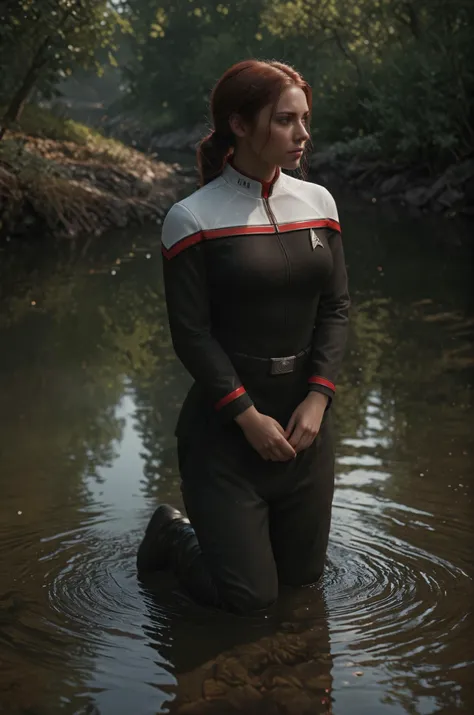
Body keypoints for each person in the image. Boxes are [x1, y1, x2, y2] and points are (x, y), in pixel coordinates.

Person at [137, 59, 350, 615]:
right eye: (285, 121)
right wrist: (246, 416)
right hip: (226, 440)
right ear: (239, 124)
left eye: (305, 120)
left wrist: (318, 396)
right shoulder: (190, 218)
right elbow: (191, 334)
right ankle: (171, 535)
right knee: (249, 601)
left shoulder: (319, 204)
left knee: (302, 588)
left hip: (305, 432)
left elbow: (337, 306)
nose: (302, 135)